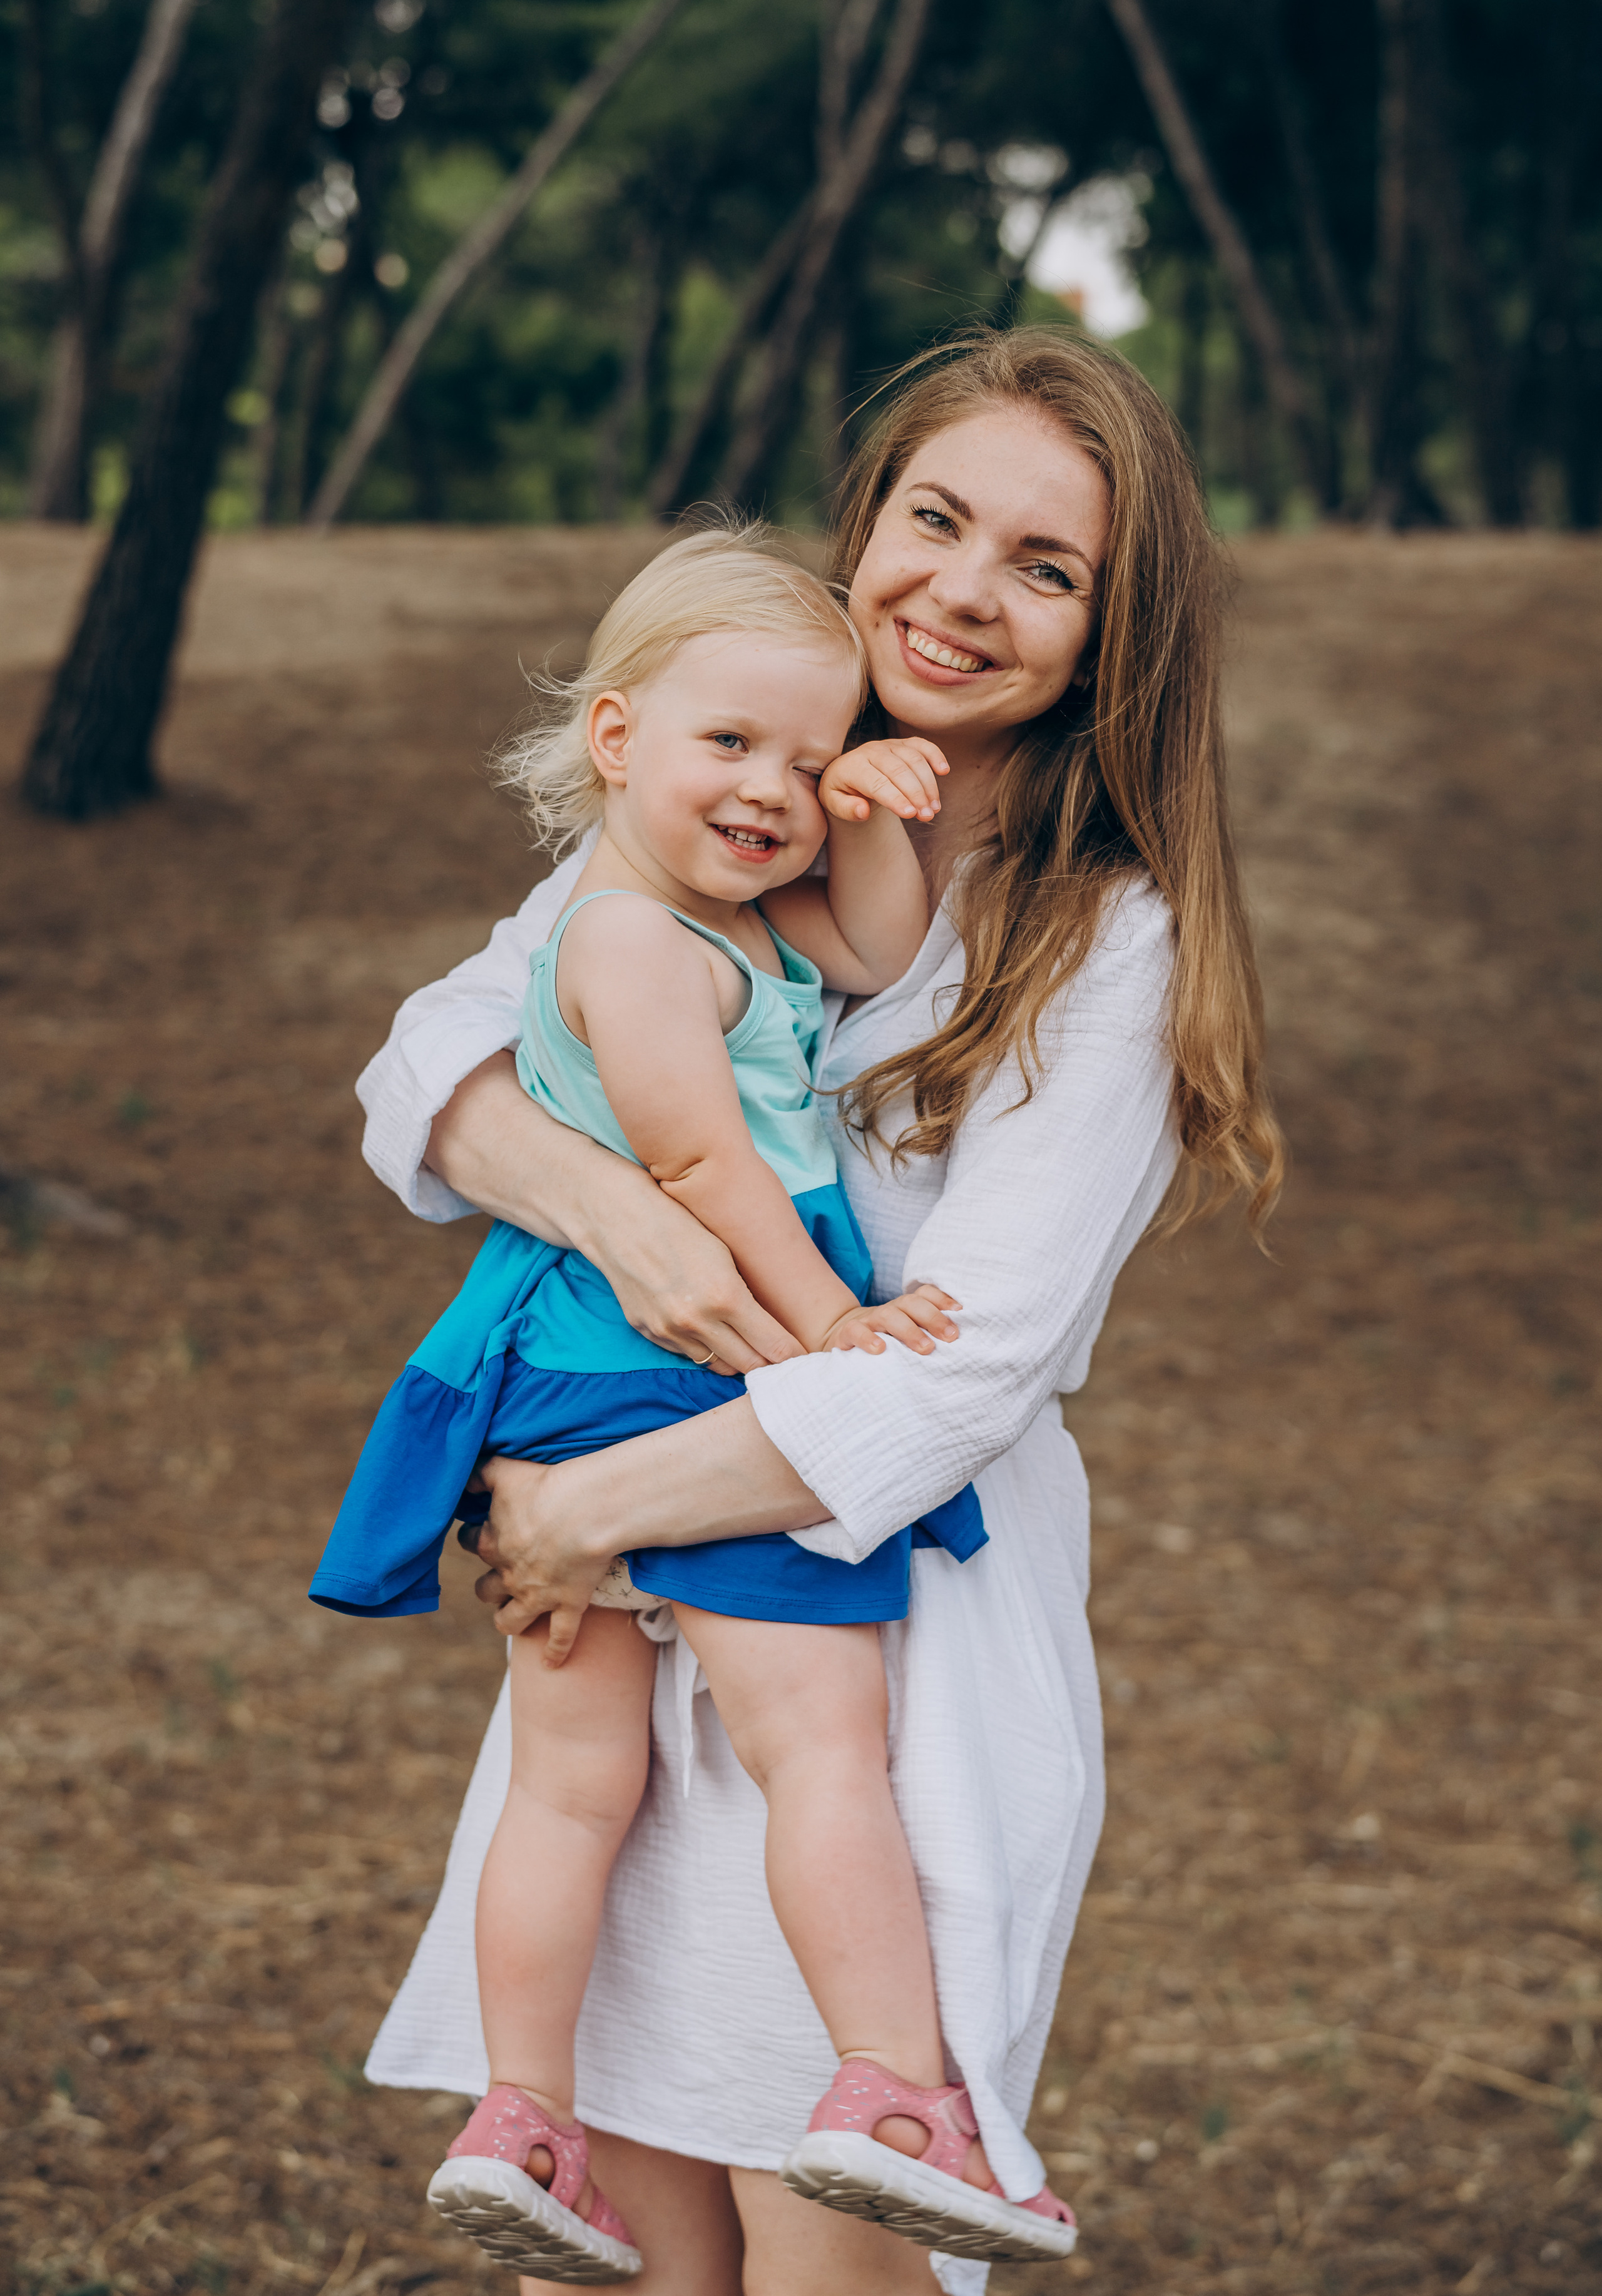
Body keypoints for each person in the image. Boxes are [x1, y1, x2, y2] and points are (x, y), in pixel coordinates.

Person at [355, 327, 1283, 2296]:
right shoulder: (734, 792)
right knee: (595, 2251)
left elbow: (970, 1358)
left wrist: (587, 1513)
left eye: (1047, 566)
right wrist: (627, 1210)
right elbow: (433, 1064)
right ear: (863, 528)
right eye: (934, 519)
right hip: (624, 1662)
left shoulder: (1107, 931)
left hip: (882, 1647)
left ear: (1122, 634)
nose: (960, 589)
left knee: (820, 2239)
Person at [312, 533, 1075, 2277]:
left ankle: (523, 2115)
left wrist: (874, 812)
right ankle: (892, 2088)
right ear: (612, 736)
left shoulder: (713, 908)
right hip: (677, 1370)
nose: (776, 793)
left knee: (573, 1787)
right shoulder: (635, 944)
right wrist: (838, 1340)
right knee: (822, 1744)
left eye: (808, 763)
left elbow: (879, 953)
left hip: (576, 1378)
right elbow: (699, 1164)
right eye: (733, 746)